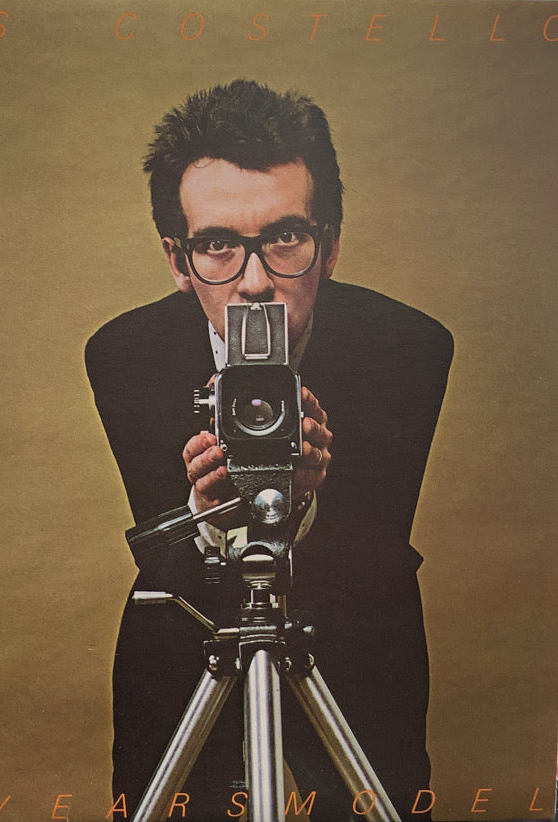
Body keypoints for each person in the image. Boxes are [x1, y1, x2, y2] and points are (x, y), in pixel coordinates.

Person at [85, 79, 453, 821]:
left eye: (285, 238)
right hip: (191, 631)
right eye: (217, 244)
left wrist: (307, 498)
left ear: (330, 246)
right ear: (177, 260)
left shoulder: (405, 348)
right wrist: (205, 511)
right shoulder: (126, 354)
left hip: (355, 635)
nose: (254, 281)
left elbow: (372, 556)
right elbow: (163, 561)